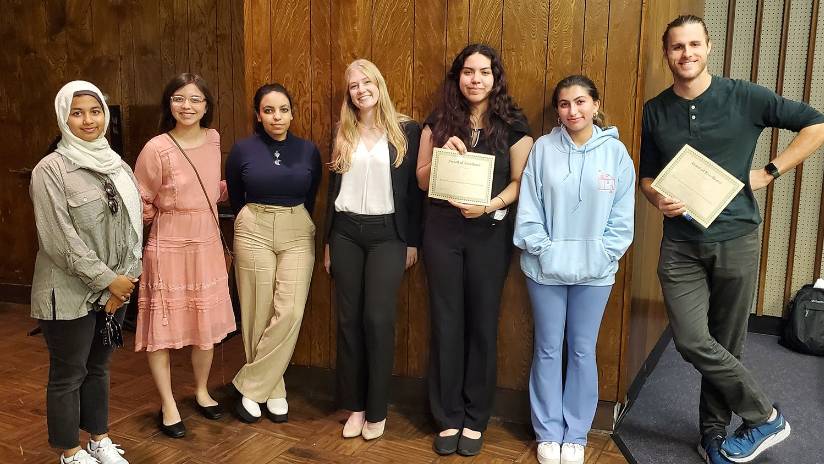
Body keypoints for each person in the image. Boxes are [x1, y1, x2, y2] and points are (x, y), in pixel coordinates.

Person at [639, 15, 824, 464]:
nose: (687, 54)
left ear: (708, 47)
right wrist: (655, 196)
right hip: (680, 244)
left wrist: (770, 171)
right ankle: (765, 416)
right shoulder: (654, 110)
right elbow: (647, 175)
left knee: (726, 341)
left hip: (736, 237)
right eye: (677, 47)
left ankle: (714, 435)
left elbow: (816, 124)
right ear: (667, 54)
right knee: (691, 339)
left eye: (694, 44)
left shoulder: (746, 96)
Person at [416, 43, 533, 456]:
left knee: (483, 324)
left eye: (484, 72)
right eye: (468, 71)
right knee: (446, 322)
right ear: (458, 76)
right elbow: (420, 179)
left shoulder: (513, 124)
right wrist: (441, 159)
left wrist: (490, 205)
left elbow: (521, 183)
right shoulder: (438, 122)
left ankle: (475, 416)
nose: (476, 79)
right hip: (442, 233)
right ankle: (447, 416)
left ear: (495, 77)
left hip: (489, 234)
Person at [514, 75, 635, 464]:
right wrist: (545, 251)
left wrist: (603, 255)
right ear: (558, 110)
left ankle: (576, 433)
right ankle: (548, 431)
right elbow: (528, 208)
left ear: (595, 105)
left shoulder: (616, 154)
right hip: (544, 269)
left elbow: (622, 218)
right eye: (565, 104)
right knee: (548, 348)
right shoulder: (543, 149)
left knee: (582, 350)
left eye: (581, 102)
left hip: (595, 273)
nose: (573, 111)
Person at [30, 80, 142, 464]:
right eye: (77, 113)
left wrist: (123, 282)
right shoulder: (51, 170)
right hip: (68, 289)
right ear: (64, 117)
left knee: (99, 367)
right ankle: (70, 451)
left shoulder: (118, 165)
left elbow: (134, 227)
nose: (88, 120)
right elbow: (60, 242)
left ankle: (99, 439)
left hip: (117, 286)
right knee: (68, 373)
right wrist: (108, 281)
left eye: (95, 112)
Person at [321, 59, 423, 441]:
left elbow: (414, 194)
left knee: (377, 319)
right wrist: (330, 242)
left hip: (388, 235)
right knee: (348, 321)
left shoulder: (406, 129)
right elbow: (332, 192)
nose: (360, 90)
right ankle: (356, 406)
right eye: (353, 86)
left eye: (366, 82)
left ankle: (378, 409)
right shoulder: (341, 131)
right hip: (346, 232)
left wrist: (412, 239)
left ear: (379, 84)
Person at [134, 73, 236, 438]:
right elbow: (140, 200)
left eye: (195, 100)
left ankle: (202, 390)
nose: (187, 106)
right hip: (168, 244)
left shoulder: (213, 139)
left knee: (204, 328)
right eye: (179, 99)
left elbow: (213, 187)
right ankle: (169, 403)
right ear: (169, 104)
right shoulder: (156, 147)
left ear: (206, 107)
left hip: (206, 242)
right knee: (162, 329)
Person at [226, 83, 322, 424]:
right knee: (257, 310)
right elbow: (236, 193)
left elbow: (312, 192)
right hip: (254, 226)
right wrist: (247, 218)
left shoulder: (308, 150)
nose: (276, 116)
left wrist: (299, 218)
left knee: (290, 310)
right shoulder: (242, 150)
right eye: (268, 110)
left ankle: (250, 387)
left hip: (297, 227)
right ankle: (274, 389)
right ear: (258, 115)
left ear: (292, 113)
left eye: (282, 109)